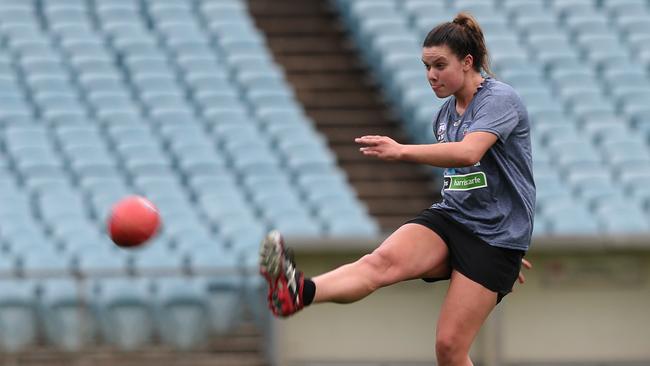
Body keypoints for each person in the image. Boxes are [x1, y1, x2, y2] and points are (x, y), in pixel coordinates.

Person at [259, 12, 535, 366]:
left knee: (449, 348)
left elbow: (468, 153)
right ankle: (299, 291)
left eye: (439, 65)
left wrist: (402, 150)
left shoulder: (499, 99)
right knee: (379, 263)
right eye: (425, 66)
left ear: (468, 62)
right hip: (454, 218)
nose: (431, 76)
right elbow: (468, 181)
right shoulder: (445, 115)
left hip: (494, 239)